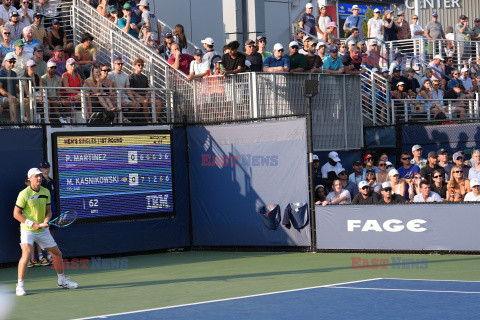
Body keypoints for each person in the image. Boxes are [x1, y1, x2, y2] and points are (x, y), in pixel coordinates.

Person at [14, 167, 78, 296]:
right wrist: (32, 224)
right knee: (26, 255)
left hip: (42, 230)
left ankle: (62, 281)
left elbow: (48, 211)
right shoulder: (24, 194)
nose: (39, 178)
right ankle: (19, 286)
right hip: (27, 230)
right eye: (36, 176)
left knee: (57, 254)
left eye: (40, 176)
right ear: (30, 178)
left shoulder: (46, 192)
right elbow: (16, 214)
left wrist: (46, 220)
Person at [129, 58, 155, 122]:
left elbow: (147, 89)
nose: (141, 66)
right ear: (134, 66)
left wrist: (147, 95)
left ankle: (155, 121)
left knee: (159, 102)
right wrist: (140, 96)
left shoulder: (145, 77)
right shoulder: (131, 77)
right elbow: (131, 90)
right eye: (139, 65)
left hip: (144, 97)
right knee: (145, 102)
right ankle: (148, 122)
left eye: (142, 65)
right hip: (136, 98)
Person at [60, 58, 83, 123]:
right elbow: (67, 89)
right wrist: (78, 93)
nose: (73, 65)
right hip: (68, 96)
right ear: (67, 66)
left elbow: (81, 87)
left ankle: (88, 115)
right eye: (71, 64)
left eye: (75, 64)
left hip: (77, 95)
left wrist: (80, 93)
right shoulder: (65, 75)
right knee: (84, 97)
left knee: (87, 96)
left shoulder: (78, 75)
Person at [0, 51, 19, 122]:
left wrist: (18, 94)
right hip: (2, 98)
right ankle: (14, 124)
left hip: (12, 97)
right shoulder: (1, 72)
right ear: (5, 62)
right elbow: (0, 88)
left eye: (14, 62)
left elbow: (16, 86)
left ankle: (29, 123)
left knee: (27, 101)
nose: (12, 63)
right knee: (12, 100)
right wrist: (9, 95)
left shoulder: (14, 73)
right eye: (10, 62)